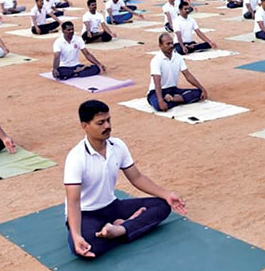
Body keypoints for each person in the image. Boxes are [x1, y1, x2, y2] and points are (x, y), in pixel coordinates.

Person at [64, 99, 185, 260]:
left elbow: (137, 177)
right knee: (84, 248)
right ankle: (126, 227)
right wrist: (76, 235)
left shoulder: (117, 145)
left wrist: (167, 194)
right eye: (100, 123)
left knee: (162, 205)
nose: (107, 126)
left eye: (108, 120)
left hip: (112, 206)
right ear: (85, 126)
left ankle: (120, 230)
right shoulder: (76, 157)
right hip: (86, 214)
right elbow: (73, 202)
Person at [147, 33, 209, 112]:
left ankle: (173, 99)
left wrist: (202, 89)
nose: (171, 46)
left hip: (173, 90)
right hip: (155, 92)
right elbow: (157, 83)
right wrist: (160, 100)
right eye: (168, 44)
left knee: (199, 93)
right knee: (159, 105)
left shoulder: (178, 57)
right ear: (160, 45)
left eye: (172, 43)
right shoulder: (156, 60)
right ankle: (179, 99)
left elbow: (188, 75)